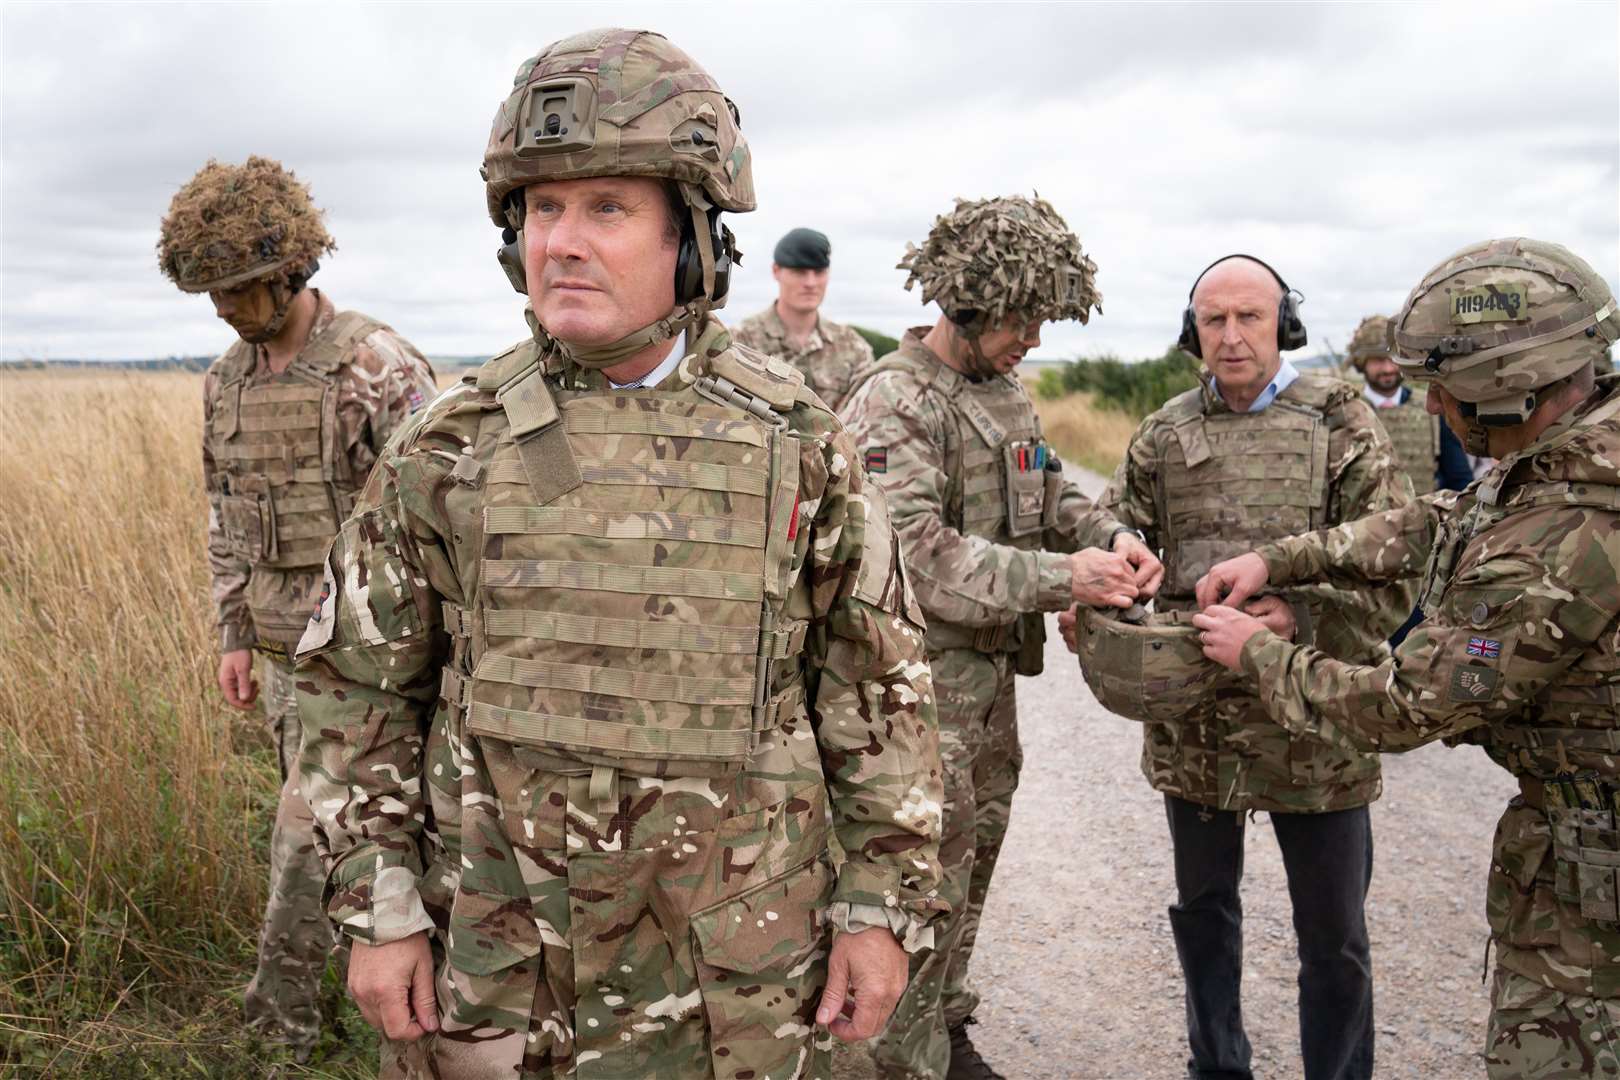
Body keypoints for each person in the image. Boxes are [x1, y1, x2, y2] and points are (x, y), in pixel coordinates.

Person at [293, 28, 945, 1080]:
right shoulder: (448, 445)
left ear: (692, 239)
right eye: (543, 209)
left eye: (606, 208)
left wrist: (879, 911)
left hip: (729, 975)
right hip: (498, 970)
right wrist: (378, 910)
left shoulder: (802, 446)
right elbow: (351, 692)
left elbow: (880, 694)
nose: (561, 241)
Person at [1194, 237, 1620, 1080]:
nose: (1432, 411)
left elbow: (1405, 705)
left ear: (1512, 387)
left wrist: (1261, 656)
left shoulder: (1569, 529)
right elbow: (1434, 520)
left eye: (1447, 392)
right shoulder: (1559, 459)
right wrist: (1281, 559)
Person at [843, 194, 1161, 1080]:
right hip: (913, 696)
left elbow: (1049, 495)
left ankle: (941, 1028)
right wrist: (1065, 579)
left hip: (986, 696)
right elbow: (919, 560)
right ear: (970, 302)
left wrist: (1108, 538)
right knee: (911, 888)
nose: (1034, 338)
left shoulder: (1002, 396)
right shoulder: (894, 404)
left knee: (970, 868)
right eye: (1023, 318)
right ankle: (890, 1058)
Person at [1084, 254, 1413, 1080]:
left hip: (1317, 721)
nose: (1230, 338)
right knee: (1204, 912)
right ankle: (1216, 1066)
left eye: (1250, 318)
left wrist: (1298, 616)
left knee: (1333, 936)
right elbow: (1121, 535)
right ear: (1191, 329)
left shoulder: (1342, 424)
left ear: (1284, 325)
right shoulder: (1164, 432)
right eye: (1212, 320)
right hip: (1198, 726)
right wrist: (1105, 592)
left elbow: (1400, 573)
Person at [155, 155, 436, 1058]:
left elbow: (441, 519)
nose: (228, 309)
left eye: (241, 289)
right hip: (285, 662)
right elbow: (226, 519)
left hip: (375, 671)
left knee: (314, 844)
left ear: (291, 267)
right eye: (213, 295)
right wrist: (233, 632)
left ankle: (285, 1020)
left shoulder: (376, 367)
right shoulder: (225, 383)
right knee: (332, 845)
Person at [732, 226, 874, 411]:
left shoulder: (853, 349)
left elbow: (862, 417)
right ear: (776, 271)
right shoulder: (740, 343)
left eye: (819, 272)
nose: (810, 283)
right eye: (799, 272)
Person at [1346, 314, 1473, 497]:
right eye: (1378, 360)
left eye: (1393, 359)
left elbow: (1459, 477)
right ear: (1361, 363)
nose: (1388, 369)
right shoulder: (1347, 410)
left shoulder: (1433, 408)